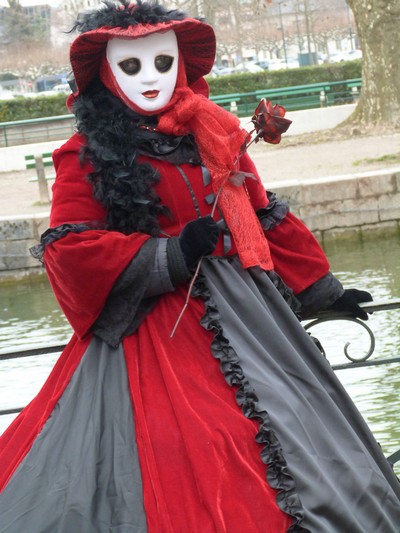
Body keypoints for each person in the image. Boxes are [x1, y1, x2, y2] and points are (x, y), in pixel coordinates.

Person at [1, 1, 399, 531]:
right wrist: (172, 252)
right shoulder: (86, 154)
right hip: (153, 330)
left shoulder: (211, 134)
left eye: (162, 64)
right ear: (106, 73)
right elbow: (71, 253)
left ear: (182, 64)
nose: (149, 79)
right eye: (132, 66)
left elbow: (258, 211)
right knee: (203, 442)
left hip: (252, 320)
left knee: (297, 426)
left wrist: (322, 290)